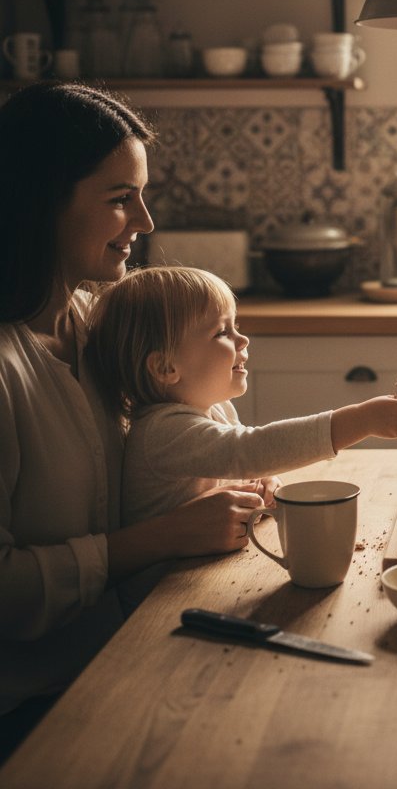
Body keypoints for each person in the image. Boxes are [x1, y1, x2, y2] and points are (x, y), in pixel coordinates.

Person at [0, 83, 264, 762]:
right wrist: (159, 538)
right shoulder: (6, 366)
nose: (144, 220)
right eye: (121, 198)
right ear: (40, 203)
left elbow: (168, 446)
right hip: (30, 711)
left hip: (121, 660)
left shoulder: (99, 326)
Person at [86, 264, 397, 534]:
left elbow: (242, 462)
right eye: (222, 331)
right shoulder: (161, 433)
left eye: (236, 326)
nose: (242, 339)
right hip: (157, 601)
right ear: (164, 367)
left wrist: (261, 480)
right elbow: (246, 451)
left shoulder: (215, 409)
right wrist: (360, 420)